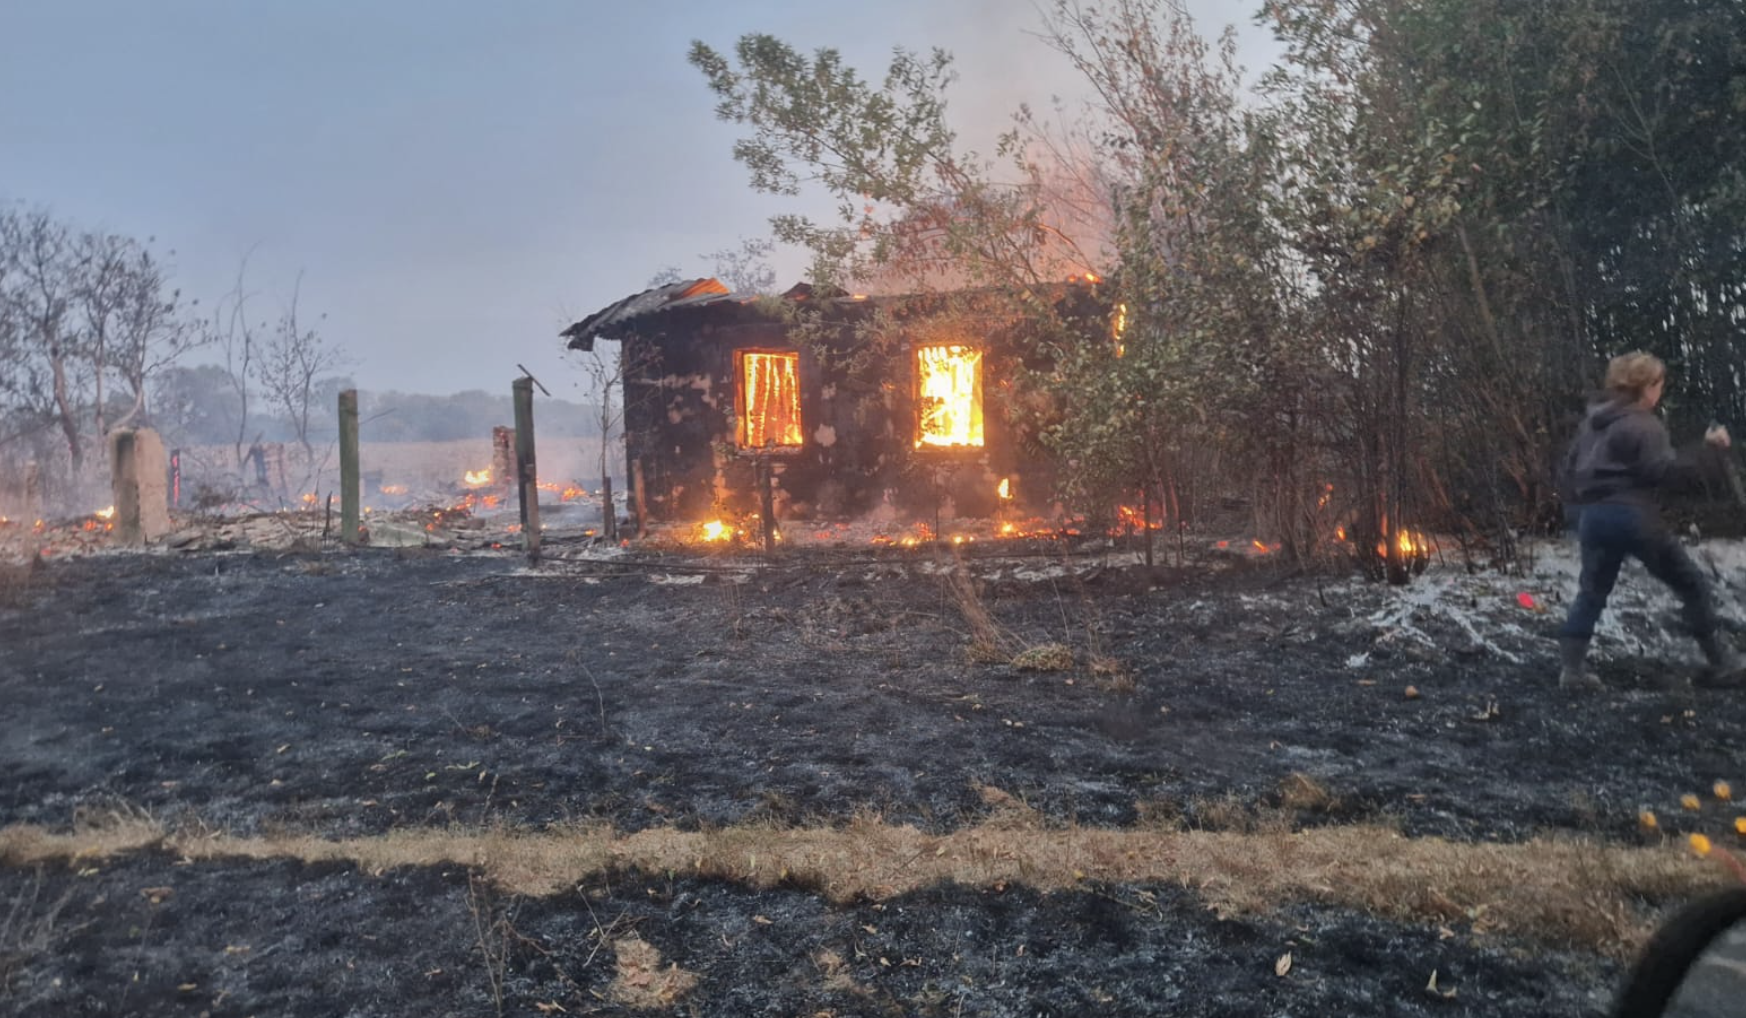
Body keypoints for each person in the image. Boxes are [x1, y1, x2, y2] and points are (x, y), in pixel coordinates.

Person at [1558, 351, 1742, 690]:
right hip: (1632, 517)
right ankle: (1722, 663)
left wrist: (1578, 518)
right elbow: (1664, 473)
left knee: (1592, 592)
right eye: (1659, 384)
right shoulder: (1644, 423)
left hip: (1593, 519)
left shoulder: (1590, 426)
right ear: (1646, 387)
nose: (1660, 391)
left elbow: (1568, 475)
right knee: (1690, 583)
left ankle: (1572, 671)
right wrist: (1710, 451)